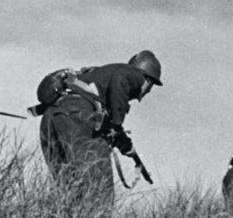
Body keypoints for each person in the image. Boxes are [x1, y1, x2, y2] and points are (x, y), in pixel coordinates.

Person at [39, 50, 162, 207]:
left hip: (51, 119)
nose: (147, 92)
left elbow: (108, 122)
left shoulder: (98, 78)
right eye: (150, 87)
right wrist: (117, 125)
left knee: (68, 189)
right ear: (148, 79)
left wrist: (125, 143)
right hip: (77, 117)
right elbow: (121, 79)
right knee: (99, 191)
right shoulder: (134, 74)